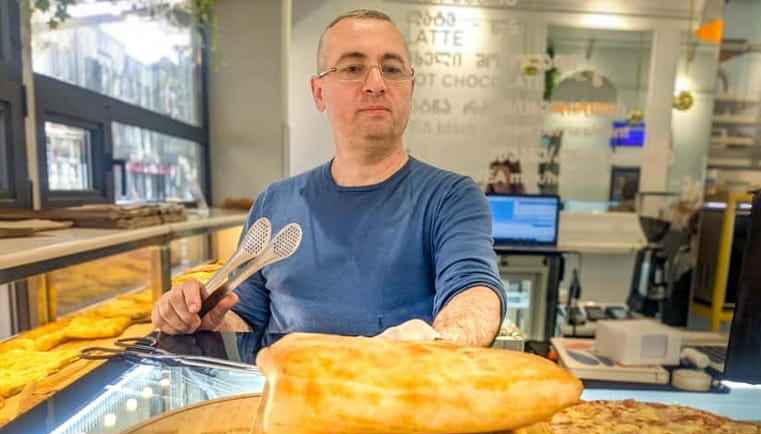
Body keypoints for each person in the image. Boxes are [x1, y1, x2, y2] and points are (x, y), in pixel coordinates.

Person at [152, 9, 506, 347]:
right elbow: (246, 319)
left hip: (397, 395)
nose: (376, 83)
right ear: (318, 92)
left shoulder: (450, 197)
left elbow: (474, 291)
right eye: (353, 67)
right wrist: (205, 320)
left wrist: (436, 346)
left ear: (410, 88)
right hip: (284, 396)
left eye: (393, 69)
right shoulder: (276, 201)